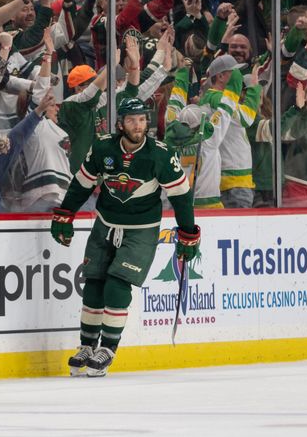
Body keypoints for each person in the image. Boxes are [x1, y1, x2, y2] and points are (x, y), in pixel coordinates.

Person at [50, 98, 200, 377]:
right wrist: (65, 214)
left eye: (142, 119)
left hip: (141, 229)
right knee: (94, 283)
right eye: (132, 120)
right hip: (105, 222)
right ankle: (86, 346)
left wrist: (188, 233)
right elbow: (82, 183)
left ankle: (107, 348)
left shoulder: (160, 154)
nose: (138, 125)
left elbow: (180, 197)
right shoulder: (103, 147)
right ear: (120, 123)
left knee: (117, 285)